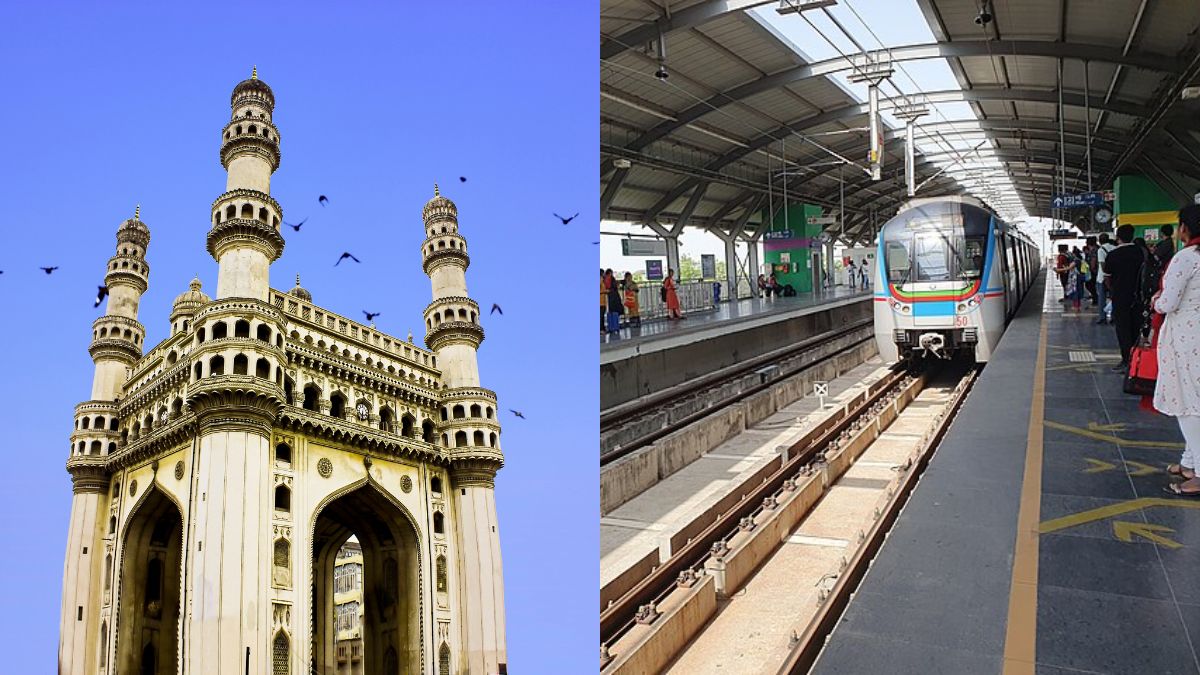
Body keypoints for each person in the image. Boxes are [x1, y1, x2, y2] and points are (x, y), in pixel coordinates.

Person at [1155, 206, 1200, 496]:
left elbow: (1168, 303)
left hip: (1188, 341)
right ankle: (1189, 462)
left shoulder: (1186, 258)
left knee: (1189, 405)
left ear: (1185, 228)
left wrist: (1156, 301)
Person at [1104, 224, 1144, 371]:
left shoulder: (1113, 255)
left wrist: (1114, 290)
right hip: (1138, 297)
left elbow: (1107, 279)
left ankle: (1126, 360)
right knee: (1136, 328)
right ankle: (1136, 359)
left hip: (1120, 297)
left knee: (1123, 329)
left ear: (1118, 237)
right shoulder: (1141, 252)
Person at [1095, 232, 1116, 324]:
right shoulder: (1114, 248)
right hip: (1114, 276)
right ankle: (1113, 317)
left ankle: (1102, 317)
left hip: (1102, 277)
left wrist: (1106, 273)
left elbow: (1102, 264)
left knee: (1101, 298)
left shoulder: (1100, 250)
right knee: (1114, 298)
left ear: (1099, 241)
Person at [604, 269, 624, 333]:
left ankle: (611, 327)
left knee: (611, 311)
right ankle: (616, 326)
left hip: (609, 296)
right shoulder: (611, 279)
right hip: (614, 296)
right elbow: (613, 286)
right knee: (615, 311)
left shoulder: (605, 278)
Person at [1084, 237, 1099, 304]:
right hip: (1095, 271)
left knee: (1089, 284)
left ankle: (1095, 298)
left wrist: (1091, 269)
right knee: (1091, 285)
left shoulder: (1094, 250)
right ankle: (1095, 297)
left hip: (1093, 271)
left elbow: (1093, 261)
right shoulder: (1097, 249)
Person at [600, 268, 608, 336]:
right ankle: (601, 330)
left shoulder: (602, 281)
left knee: (602, 316)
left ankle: (602, 329)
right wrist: (604, 291)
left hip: (603, 301)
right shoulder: (599, 281)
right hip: (600, 302)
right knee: (601, 316)